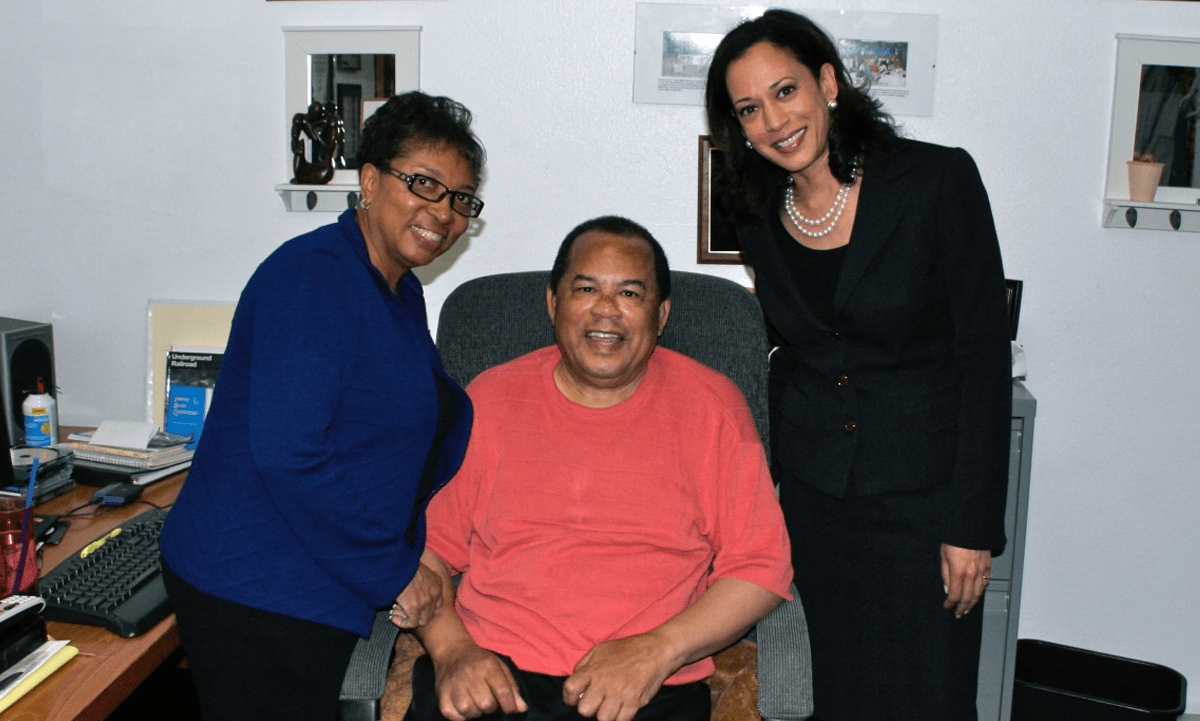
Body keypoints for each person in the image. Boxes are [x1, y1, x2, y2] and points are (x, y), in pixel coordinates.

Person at [704, 10, 1012, 721]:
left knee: (928, 694)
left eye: (785, 91)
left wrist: (972, 524)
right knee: (836, 693)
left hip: (926, 502)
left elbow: (982, 360)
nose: (774, 120)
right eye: (749, 108)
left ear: (828, 82)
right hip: (820, 504)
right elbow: (801, 349)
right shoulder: (756, 210)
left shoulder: (936, 180)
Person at [159, 91, 487, 720]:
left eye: (460, 199)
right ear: (369, 180)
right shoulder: (312, 278)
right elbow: (291, 455)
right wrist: (393, 567)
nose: (442, 212)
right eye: (423, 183)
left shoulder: (397, 288)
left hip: (318, 568)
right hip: (257, 587)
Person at [407, 216, 793, 721]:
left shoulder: (712, 407)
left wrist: (656, 652)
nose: (606, 310)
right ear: (553, 303)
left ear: (661, 315)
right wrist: (453, 651)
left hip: (649, 684)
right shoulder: (490, 399)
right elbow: (425, 554)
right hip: (495, 676)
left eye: (631, 294)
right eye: (586, 288)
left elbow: (762, 569)